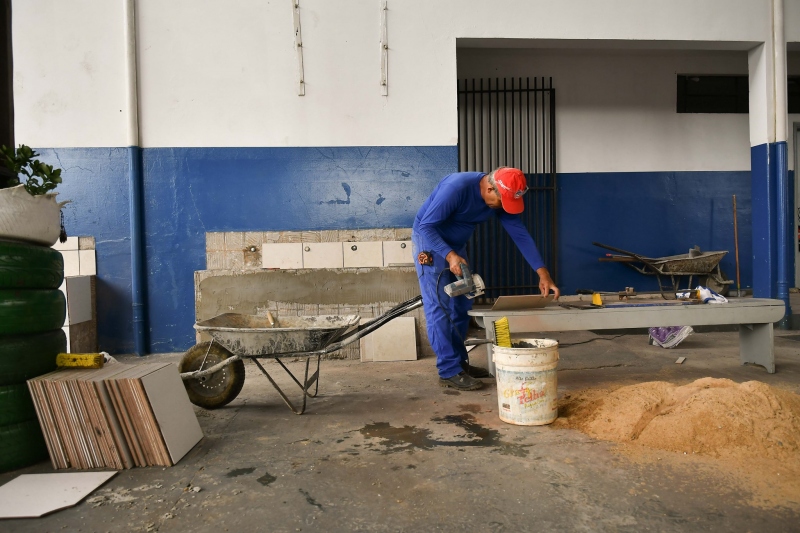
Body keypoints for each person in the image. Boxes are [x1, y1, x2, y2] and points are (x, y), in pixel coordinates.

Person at [412, 167, 560, 391]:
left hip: (457, 247)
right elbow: (426, 226)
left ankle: (460, 364)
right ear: (490, 188)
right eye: (502, 202)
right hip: (431, 244)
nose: (503, 207)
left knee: (462, 305)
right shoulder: (456, 188)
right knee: (440, 307)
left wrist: (543, 272)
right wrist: (449, 255)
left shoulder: (501, 196)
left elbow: (519, 233)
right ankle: (448, 370)